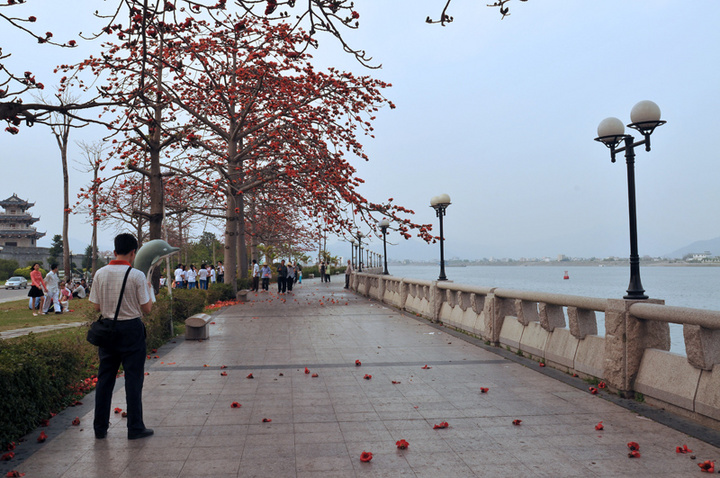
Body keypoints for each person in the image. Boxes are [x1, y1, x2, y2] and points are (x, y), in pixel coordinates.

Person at [89, 233, 153, 441]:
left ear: (115, 251)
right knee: (133, 379)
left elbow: (97, 306)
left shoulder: (100, 273)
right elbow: (147, 308)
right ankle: (135, 427)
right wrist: (149, 292)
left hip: (107, 330)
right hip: (131, 330)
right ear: (133, 252)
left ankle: (100, 428)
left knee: (105, 379)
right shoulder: (137, 276)